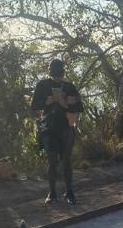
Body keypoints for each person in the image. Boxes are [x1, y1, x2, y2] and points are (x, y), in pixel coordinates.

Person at [31, 59, 84, 204]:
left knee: (66, 160)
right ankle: (52, 192)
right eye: (55, 75)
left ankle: (69, 192)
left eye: (59, 75)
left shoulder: (69, 86)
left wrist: (65, 103)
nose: (58, 78)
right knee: (52, 160)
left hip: (66, 127)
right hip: (48, 128)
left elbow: (79, 107)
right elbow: (34, 105)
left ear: (63, 73)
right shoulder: (42, 85)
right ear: (50, 73)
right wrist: (47, 102)